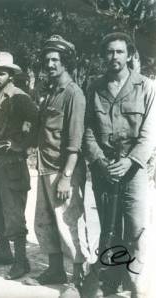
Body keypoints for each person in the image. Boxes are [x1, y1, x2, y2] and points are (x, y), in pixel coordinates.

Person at [83, 32, 156, 298]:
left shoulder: (145, 86)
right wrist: (99, 161)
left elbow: (150, 133)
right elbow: (88, 127)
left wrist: (129, 161)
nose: (114, 57)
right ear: (104, 55)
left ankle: (134, 280)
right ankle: (112, 277)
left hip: (133, 168)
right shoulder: (94, 87)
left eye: (119, 52)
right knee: (108, 224)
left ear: (129, 55)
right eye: (109, 52)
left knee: (135, 226)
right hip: (104, 168)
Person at [33, 35, 91, 297]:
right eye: (47, 59)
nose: (50, 64)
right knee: (44, 222)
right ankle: (55, 269)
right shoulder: (49, 93)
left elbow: (75, 141)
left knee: (69, 222)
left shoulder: (73, 94)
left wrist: (67, 176)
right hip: (45, 168)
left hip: (62, 170)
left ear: (65, 62)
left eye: (55, 59)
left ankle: (78, 280)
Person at [0, 51, 38, 280]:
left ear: (10, 75)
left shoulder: (19, 97)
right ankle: (3, 251)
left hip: (11, 163)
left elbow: (37, 123)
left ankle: (22, 260)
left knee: (13, 213)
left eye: (0, 73)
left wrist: (21, 145)